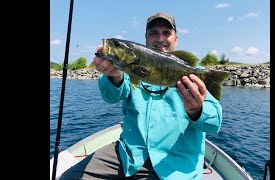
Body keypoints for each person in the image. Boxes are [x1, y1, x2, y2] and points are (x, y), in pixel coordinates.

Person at [60, 12, 223, 180]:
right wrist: (114, 76)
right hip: (130, 154)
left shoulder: (197, 75)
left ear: (176, 39)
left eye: (166, 33)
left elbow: (215, 122)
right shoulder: (125, 68)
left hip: (176, 165)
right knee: (69, 177)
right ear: (145, 38)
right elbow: (111, 97)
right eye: (153, 33)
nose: (160, 38)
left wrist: (197, 110)